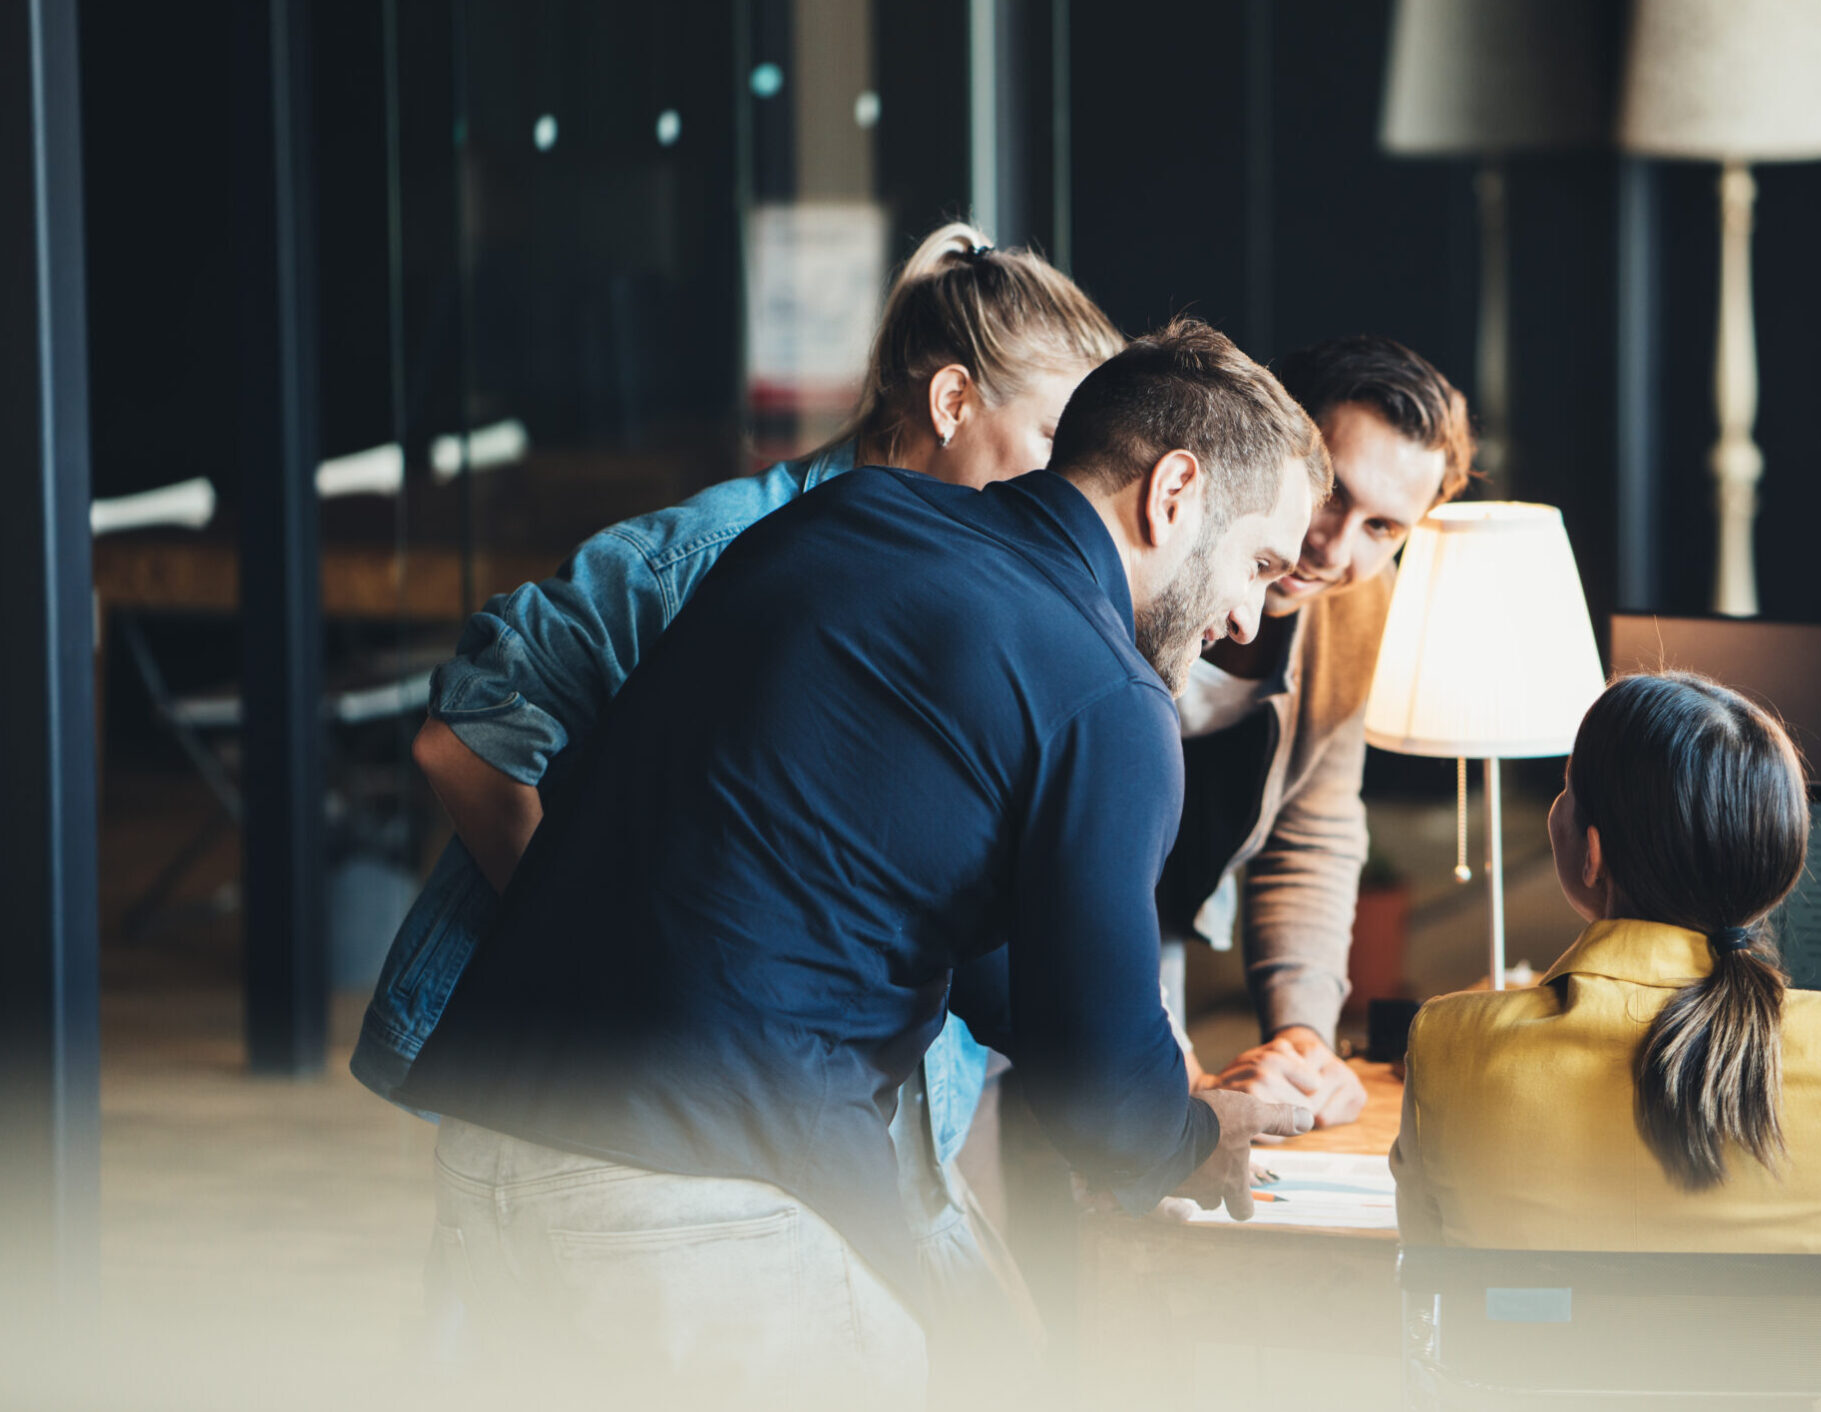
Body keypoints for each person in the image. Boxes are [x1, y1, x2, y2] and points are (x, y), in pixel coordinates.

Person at [396, 319, 1330, 1402]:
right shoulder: (1109, 699)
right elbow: (1102, 1102)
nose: (1246, 615)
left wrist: (1159, 1110)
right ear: (1173, 490)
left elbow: (906, 902)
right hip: (705, 1190)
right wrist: (1192, 1128)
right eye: (1260, 565)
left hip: (494, 1140)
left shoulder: (845, 517)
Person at [349, 223, 1122, 1333]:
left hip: (820, 1104)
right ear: (953, 401)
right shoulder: (713, 552)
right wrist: (621, 952)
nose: (1073, 482)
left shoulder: (974, 597)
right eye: (1053, 433)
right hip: (594, 1087)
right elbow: (460, 740)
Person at [1392, 671, 1821, 1251]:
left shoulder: (1448, 1048)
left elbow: (1428, 1254)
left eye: (1567, 790)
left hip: (1533, 1366)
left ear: (1592, 854)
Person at [1159, 335, 1473, 1124]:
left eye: (1384, 529)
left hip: (1161, 909)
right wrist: (1168, 1067)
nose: (1334, 550)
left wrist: (1303, 1039)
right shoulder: (1149, 551)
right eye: (1332, 492)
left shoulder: (1361, 604)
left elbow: (1313, 831)